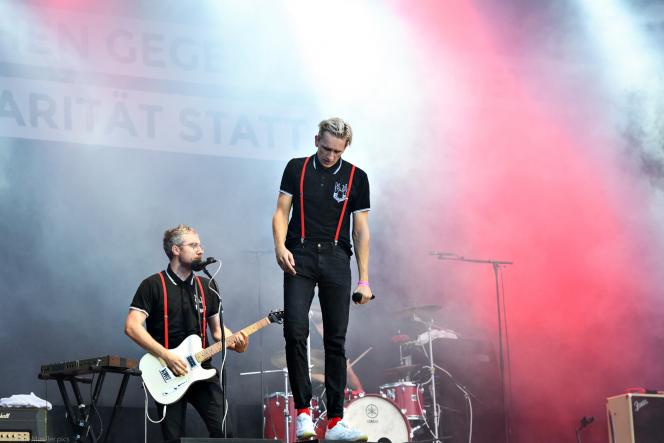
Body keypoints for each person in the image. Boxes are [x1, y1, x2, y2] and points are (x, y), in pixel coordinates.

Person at [272, 117, 373, 441]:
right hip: (299, 253)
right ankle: (302, 414)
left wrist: (365, 279)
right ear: (316, 140)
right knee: (296, 330)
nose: (330, 156)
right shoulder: (296, 168)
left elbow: (360, 229)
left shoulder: (357, 177)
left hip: (336, 258)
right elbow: (280, 211)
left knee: (335, 340)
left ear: (345, 148)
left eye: (336, 151)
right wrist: (279, 247)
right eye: (326, 148)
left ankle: (334, 422)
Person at [125, 224, 248, 441]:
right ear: (176, 250)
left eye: (200, 245)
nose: (200, 250)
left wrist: (237, 343)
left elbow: (218, 333)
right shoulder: (152, 285)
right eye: (193, 245)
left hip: (203, 370)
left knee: (226, 433)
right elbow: (132, 326)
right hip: (168, 371)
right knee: (173, 438)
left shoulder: (207, 286)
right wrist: (167, 355)